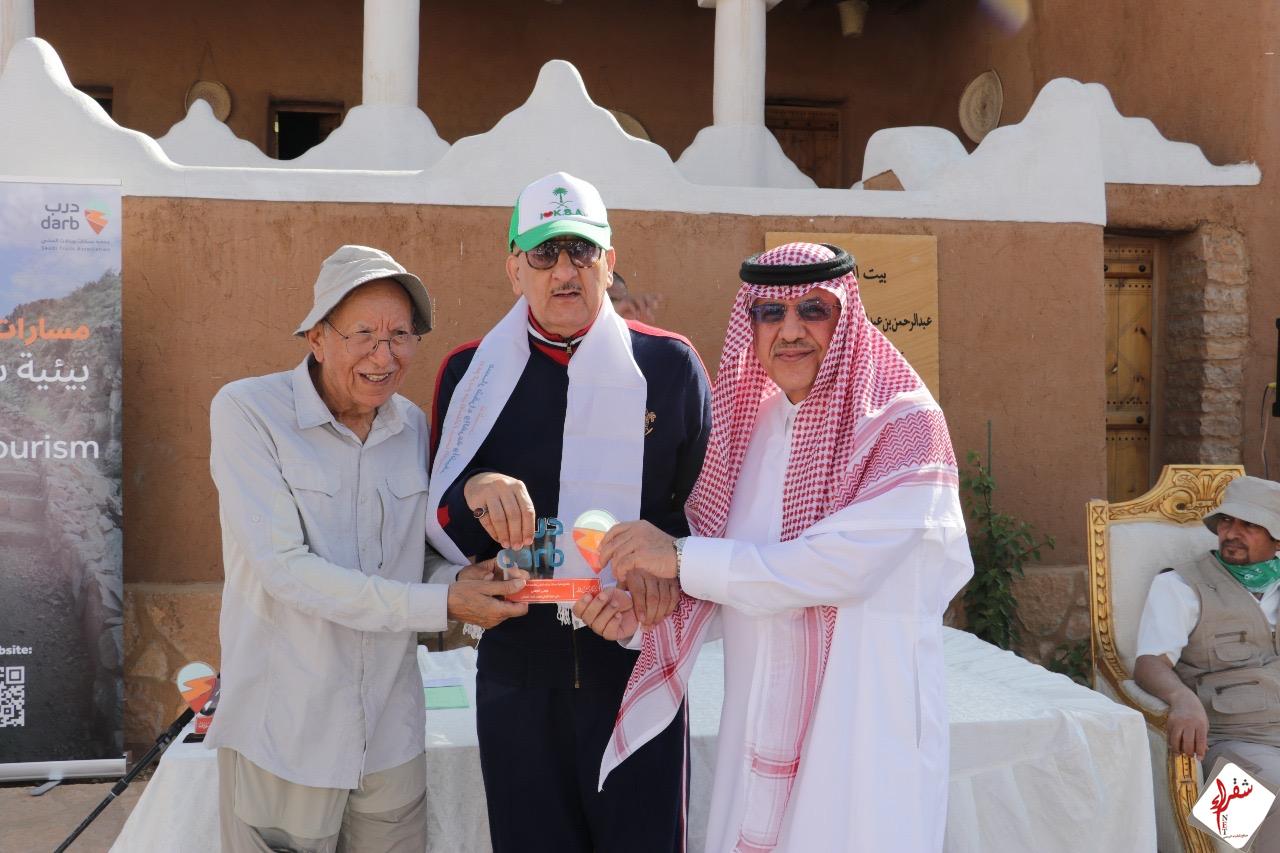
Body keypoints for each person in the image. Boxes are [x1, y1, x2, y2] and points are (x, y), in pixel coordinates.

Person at [576, 241, 973, 852]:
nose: (790, 331)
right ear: (752, 324)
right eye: (770, 313)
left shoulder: (903, 425)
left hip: (862, 731)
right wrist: (648, 613)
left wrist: (678, 559)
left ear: (846, 316)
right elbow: (742, 580)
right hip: (758, 721)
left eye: (813, 310)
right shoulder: (753, 426)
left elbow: (831, 569)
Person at [425, 171, 712, 852]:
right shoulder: (470, 374)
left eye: (581, 251)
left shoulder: (669, 366)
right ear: (513, 269)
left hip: (634, 664)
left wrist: (664, 570)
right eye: (544, 252)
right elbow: (438, 524)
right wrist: (474, 491)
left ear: (608, 262)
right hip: (518, 671)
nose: (564, 269)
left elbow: (705, 513)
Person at [206, 245, 527, 853]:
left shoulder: (413, 427)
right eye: (363, 335)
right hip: (287, 732)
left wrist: (462, 582)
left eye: (400, 336)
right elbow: (286, 571)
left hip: (388, 735)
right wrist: (442, 605)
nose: (384, 356)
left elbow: (410, 560)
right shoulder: (248, 412)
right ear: (317, 338)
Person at [1134, 475, 1280, 851]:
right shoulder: (1180, 586)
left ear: (1277, 539)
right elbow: (1150, 662)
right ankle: (1218, 843)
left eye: (1249, 525)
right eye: (1227, 521)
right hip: (1229, 737)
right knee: (1262, 798)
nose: (1232, 533)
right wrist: (1181, 699)